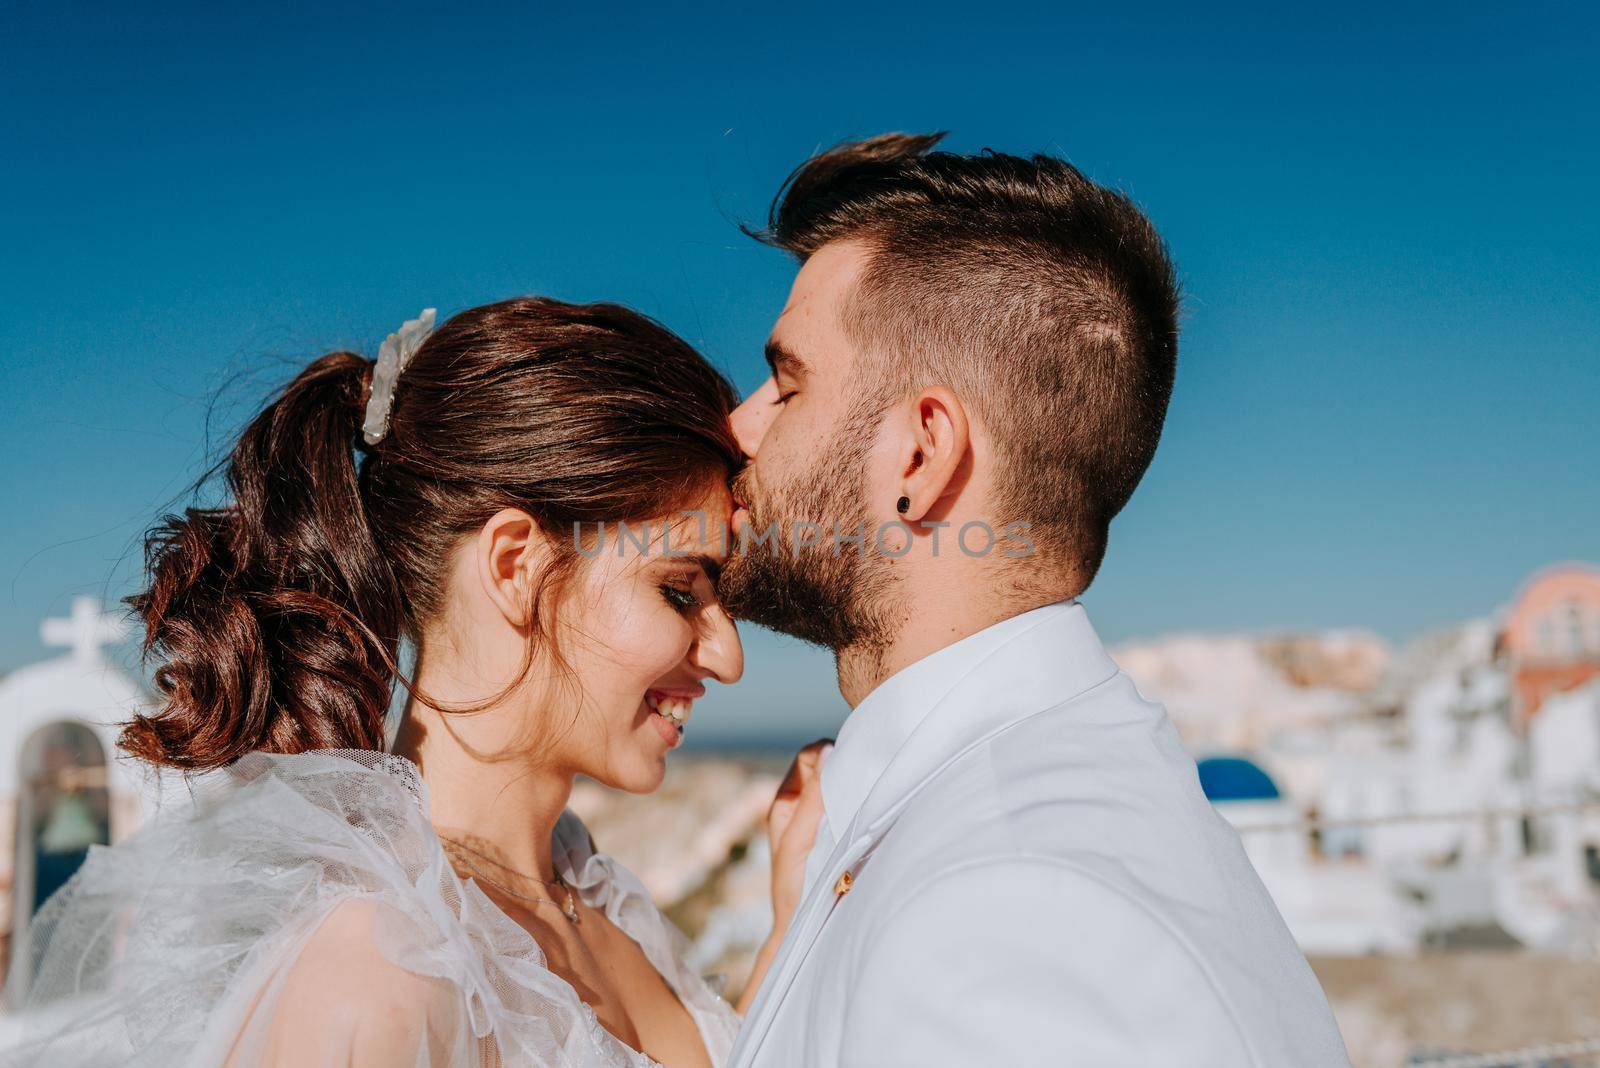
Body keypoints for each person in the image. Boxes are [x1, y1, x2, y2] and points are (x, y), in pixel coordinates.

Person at [8, 298, 822, 1067]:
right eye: (681, 591)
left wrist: (792, 924)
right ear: (515, 567)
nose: (728, 657)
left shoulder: (583, 894)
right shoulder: (380, 971)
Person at [717, 133, 1353, 1067]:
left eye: (786, 382)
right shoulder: (992, 831)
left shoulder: (1015, 914)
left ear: (921, 454)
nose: (737, 425)